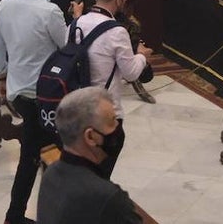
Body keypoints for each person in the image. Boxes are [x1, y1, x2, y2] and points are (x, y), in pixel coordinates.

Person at [0, 0, 70, 224]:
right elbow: (66, 47)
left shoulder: (6, 4)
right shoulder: (50, 11)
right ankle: (29, 215)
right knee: (60, 154)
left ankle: (16, 214)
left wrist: (1, 77)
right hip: (46, 96)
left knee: (32, 152)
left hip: (18, 92)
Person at [70, 0, 152, 178]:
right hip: (105, 113)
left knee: (83, 168)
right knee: (99, 174)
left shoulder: (75, 24)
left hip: (77, 109)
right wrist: (141, 55)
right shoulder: (117, 32)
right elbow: (132, 73)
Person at [36, 87, 143, 224]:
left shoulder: (50, 173)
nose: (118, 126)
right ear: (91, 137)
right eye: (112, 121)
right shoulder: (108, 198)